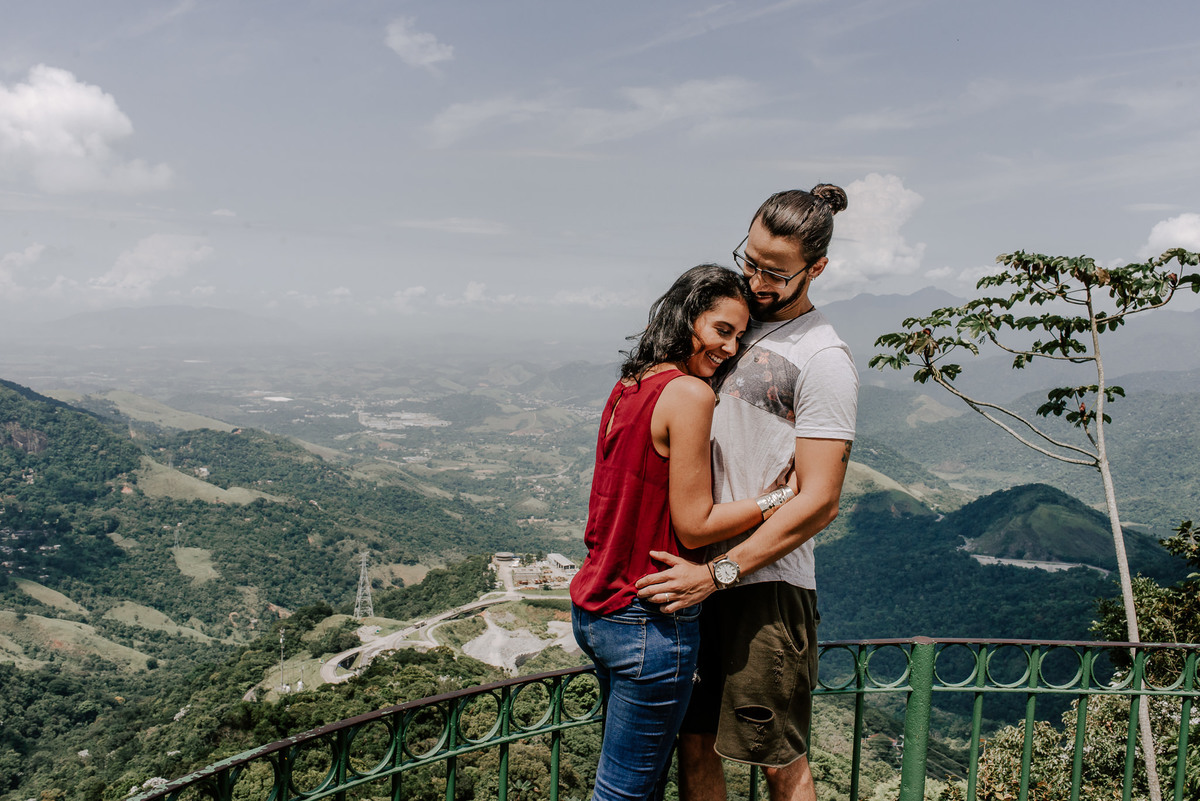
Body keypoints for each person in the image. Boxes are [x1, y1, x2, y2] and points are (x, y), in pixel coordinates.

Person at [635, 185, 859, 801]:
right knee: (694, 742)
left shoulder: (823, 358)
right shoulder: (724, 323)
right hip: (690, 574)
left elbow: (819, 499)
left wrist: (721, 573)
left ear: (815, 270)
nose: (757, 279)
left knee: (776, 760)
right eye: (750, 260)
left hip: (764, 587)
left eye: (775, 272)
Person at [571, 264, 799, 801]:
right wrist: (776, 498)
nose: (731, 346)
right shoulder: (689, 394)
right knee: (624, 793)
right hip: (649, 617)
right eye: (722, 330)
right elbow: (693, 527)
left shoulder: (629, 385)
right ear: (686, 317)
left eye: (740, 336)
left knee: (636, 788)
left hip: (596, 612)